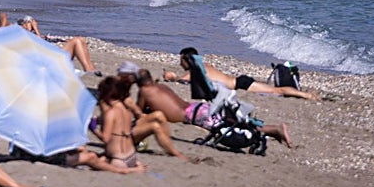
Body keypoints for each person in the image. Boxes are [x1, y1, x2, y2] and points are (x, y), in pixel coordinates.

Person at [134, 69, 292, 146]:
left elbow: (138, 112)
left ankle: (273, 130)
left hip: (194, 115)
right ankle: (271, 131)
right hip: (197, 107)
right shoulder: (160, 87)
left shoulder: (145, 91)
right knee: (232, 121)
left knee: (229, 128)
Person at [164, 47, 319, 100]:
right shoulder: (205, 65)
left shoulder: (196, 70)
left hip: (239, 84)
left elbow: (184, 80)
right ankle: (303, 94)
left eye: (181, 60)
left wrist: (172, 78)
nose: (180, 63)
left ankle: (306, 96)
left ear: (187, 59)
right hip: (239, 81)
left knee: (276, 91)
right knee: (274, 91)